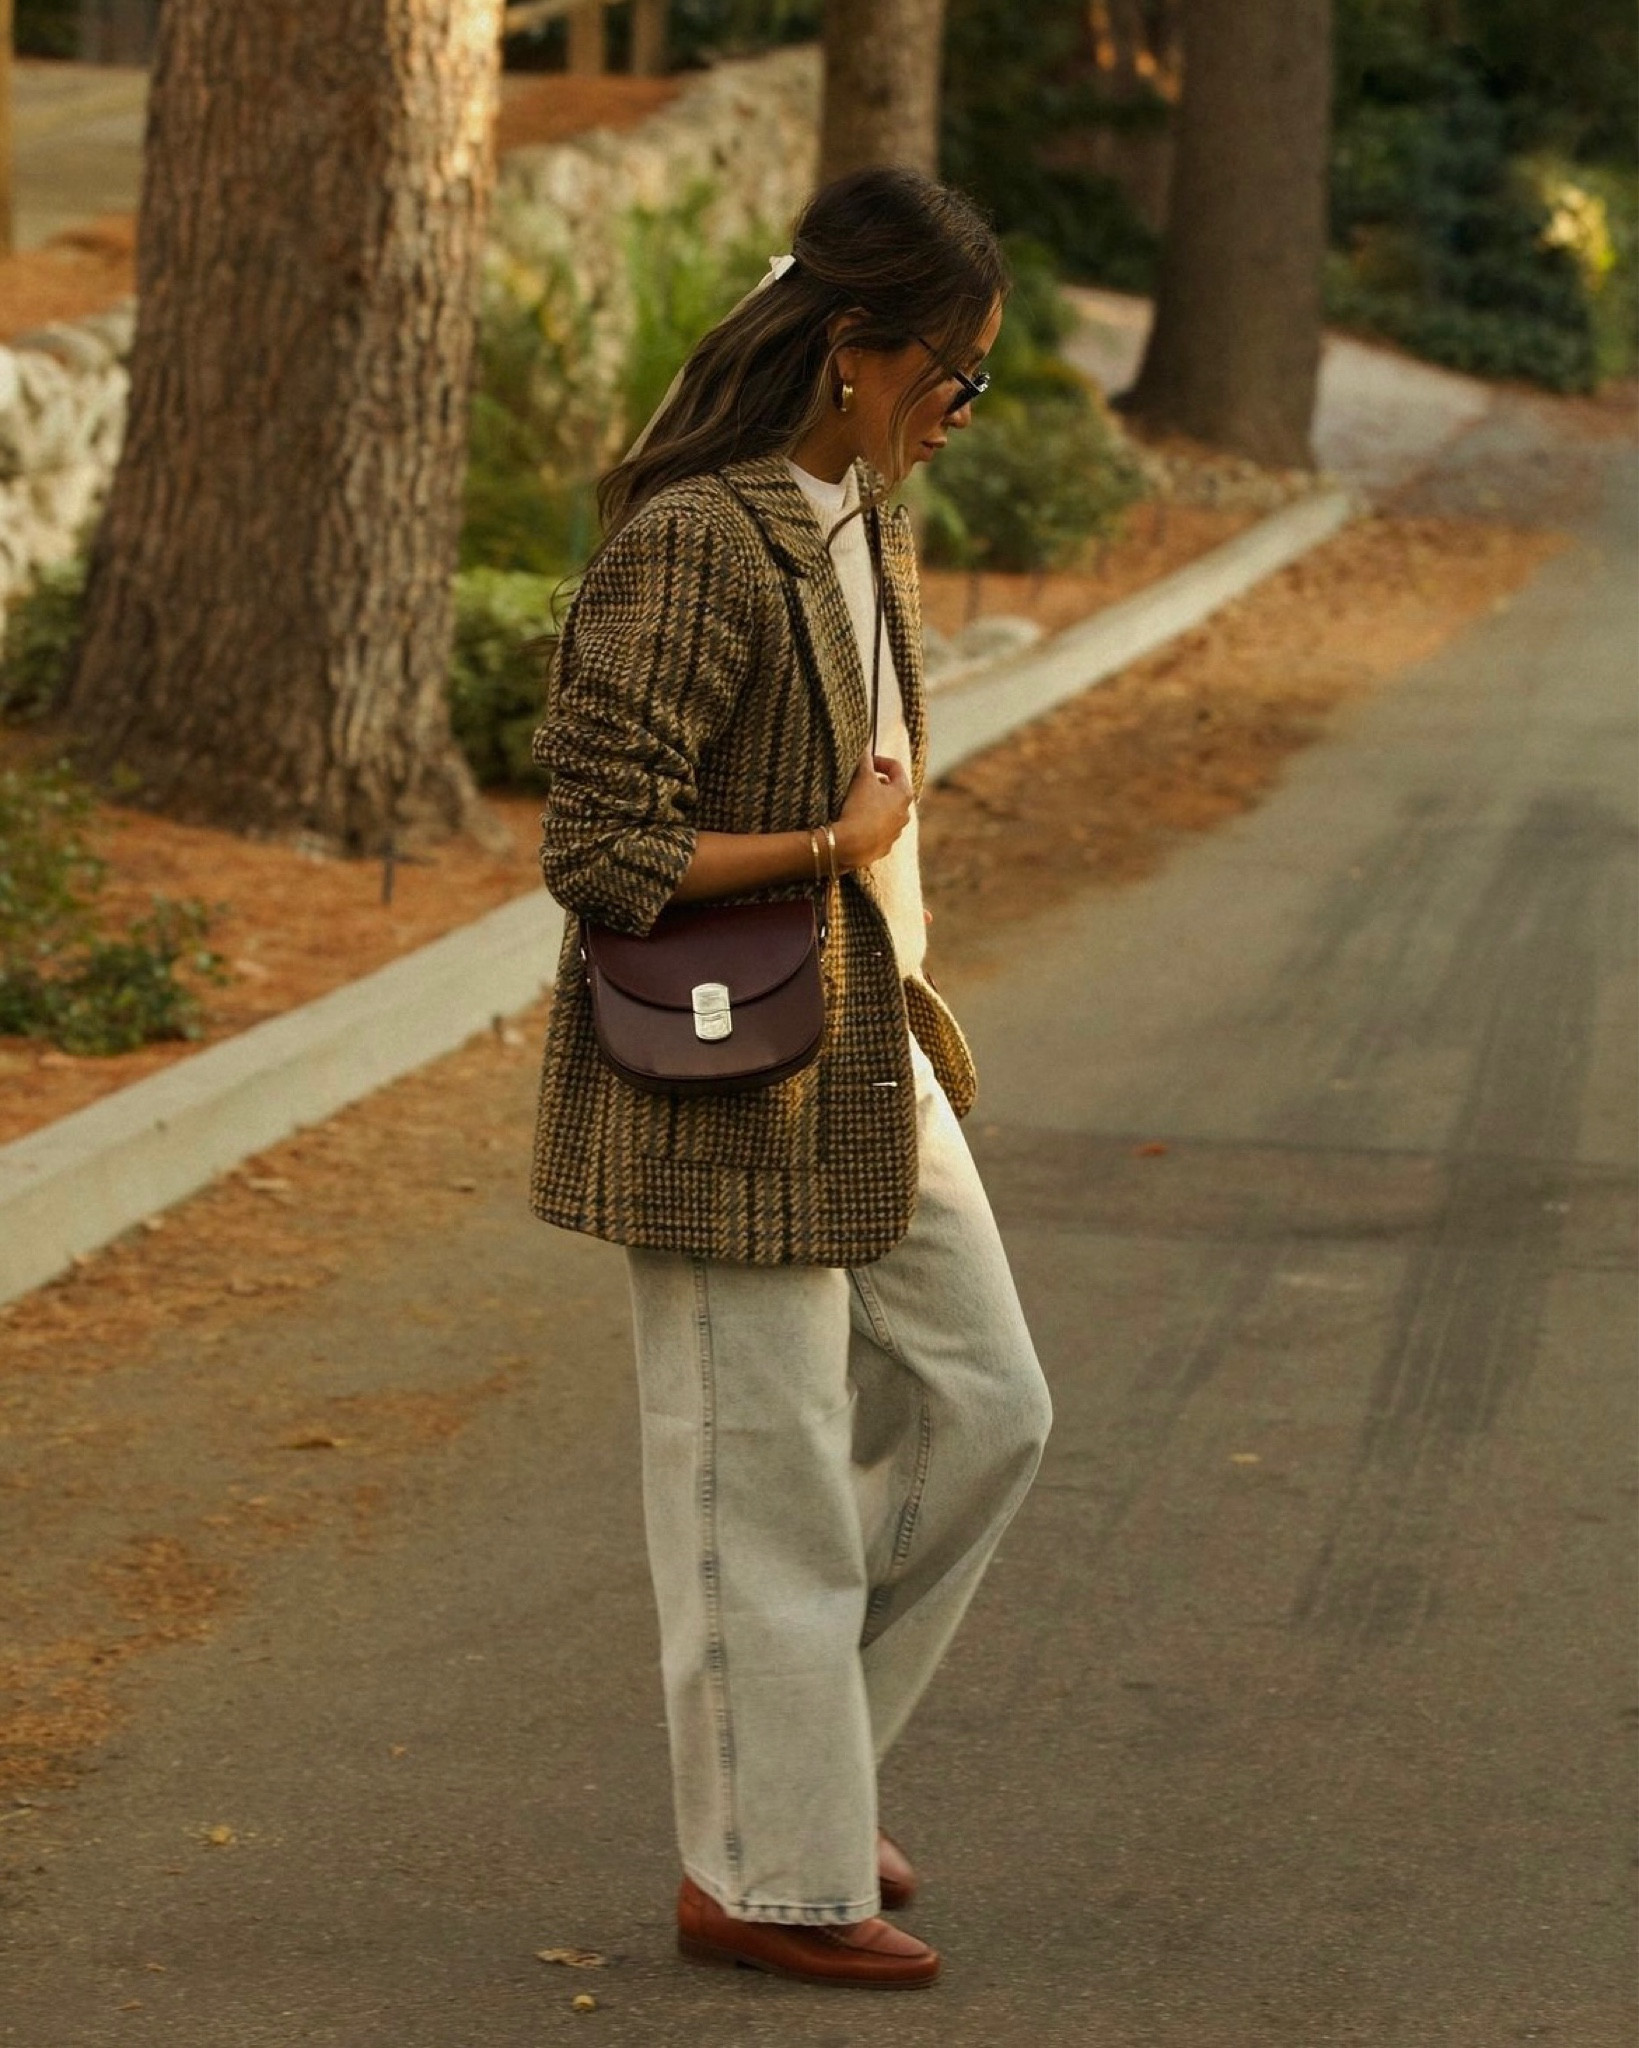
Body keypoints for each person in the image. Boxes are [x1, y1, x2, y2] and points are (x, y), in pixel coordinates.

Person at [529, 166, 1052, 1991]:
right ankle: (763, 1869)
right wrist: (828, 848)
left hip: (869, 1060)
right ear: (855, 348)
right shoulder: (699, 536)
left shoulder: (868, 528)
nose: (960, 413)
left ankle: (792, 1781)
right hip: (719, 1072)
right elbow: (599, 846)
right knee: (759, 1482)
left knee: (992, 1410)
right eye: (953, 378)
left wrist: (880, 904)